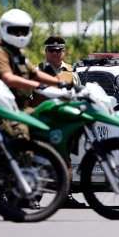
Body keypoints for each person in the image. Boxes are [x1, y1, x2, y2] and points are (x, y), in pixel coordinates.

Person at [0, 8, 84, 209]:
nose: (20, 35)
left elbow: (33, 75)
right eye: (15, 31)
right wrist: (40, 87)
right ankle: (11, 192)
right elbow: (10, 78)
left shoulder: (18, 54)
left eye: (23, 31)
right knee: (22, 139)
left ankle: (48, 190)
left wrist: (62, 84)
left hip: (21, 108)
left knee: (50, 136)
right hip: (3, 108)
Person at [31, 34, 85, 209]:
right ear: (45, 52)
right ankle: (33, 196)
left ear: (64, 51)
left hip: (63, 123)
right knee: (37, 158)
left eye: (58, 50)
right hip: (41, 122)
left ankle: (65, 195)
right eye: (51, 50)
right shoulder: (35, 70)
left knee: (64, 158)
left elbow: (78, 97)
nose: (55, 53)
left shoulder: (71, 72)